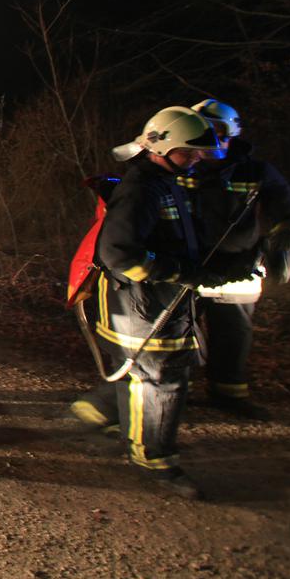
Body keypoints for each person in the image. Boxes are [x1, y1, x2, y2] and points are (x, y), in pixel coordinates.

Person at [70, 106, 231, 499]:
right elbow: (120, 255)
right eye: (189, 152)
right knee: (160, 381)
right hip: (142, 308)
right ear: (165, 146)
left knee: (142, 377)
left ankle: (116, 425)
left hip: (153, 304)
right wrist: (179, 272)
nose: (196, 159)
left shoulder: (165, 181)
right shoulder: (141, 189)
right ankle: (154, 458)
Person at [186, 99, 290, 421]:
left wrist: (282, 243)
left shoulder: (256, 172)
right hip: (186, 267)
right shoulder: (180, 166)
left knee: (233, 334)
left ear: (232, 133)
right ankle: (168, 393)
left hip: (238, 268)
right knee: (176, 333)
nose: (210, 139)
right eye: (201, 131)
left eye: (217, 131)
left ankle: (227, 393)